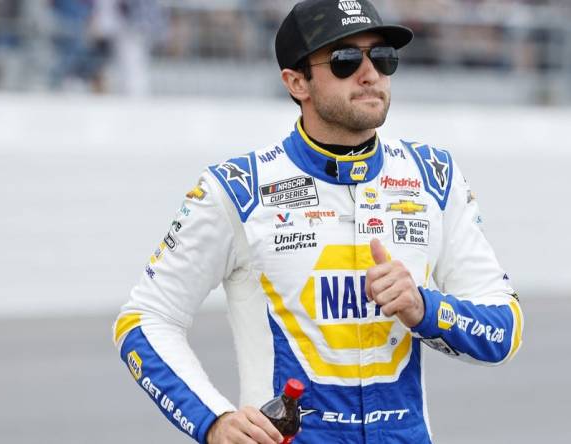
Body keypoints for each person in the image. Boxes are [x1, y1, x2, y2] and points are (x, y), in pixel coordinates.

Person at [112, 1, 524, 443]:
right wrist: (212, 420)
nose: (370, 74)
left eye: (383, 57)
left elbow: (504, 329)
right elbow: (143, 320)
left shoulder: (432, 177)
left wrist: (424, 309)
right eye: (346, 60)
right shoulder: (239, 189)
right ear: (296, 82)